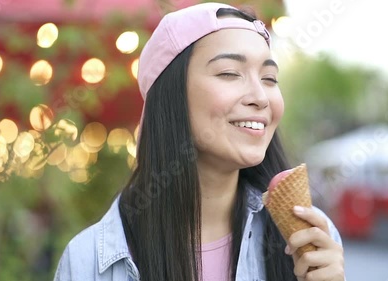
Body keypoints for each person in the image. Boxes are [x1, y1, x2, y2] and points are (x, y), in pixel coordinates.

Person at [54, 2, 345, 281]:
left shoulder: (311, 236)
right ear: (172, 96)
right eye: (230, 73)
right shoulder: (89, 260)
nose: (260, 97)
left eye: (269, 78)